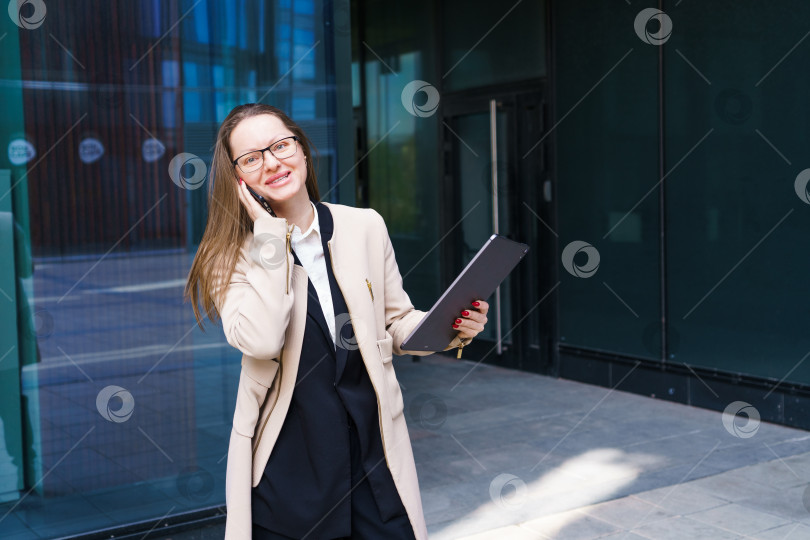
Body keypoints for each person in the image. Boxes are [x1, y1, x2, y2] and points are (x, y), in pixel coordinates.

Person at [185, 103, 489, 540]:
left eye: (281, 145)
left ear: (303, 151)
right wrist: (270, 236)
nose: (272, 162)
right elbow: (262, 339)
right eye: (252, 158)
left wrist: (449, 328)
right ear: (237, 180)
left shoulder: (363, 226)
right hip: (290, 471)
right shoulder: (229, 257)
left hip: (373, 454)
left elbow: (396, 321)